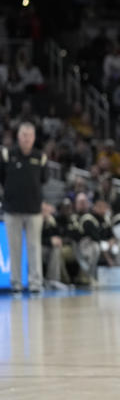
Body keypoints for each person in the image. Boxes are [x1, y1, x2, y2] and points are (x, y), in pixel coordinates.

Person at [1, 122, 47, 295]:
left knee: (34, 247)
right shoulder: (7, 155)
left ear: (34, 138)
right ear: (18, 136)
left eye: (29, 135)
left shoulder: (40, 157)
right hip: (12, 210)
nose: (26, 138)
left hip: (34, 210)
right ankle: (16, 283)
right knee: (14, 248)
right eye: (23, 135)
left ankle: (36, 283)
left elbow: (43, 180)